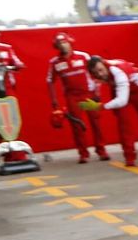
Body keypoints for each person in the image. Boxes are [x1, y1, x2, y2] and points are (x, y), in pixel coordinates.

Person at [84, 55, 138, 167]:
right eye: (96, 73)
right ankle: (129, 156)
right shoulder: (97, 73)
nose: (100, 74)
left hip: (136, 88)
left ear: (105, 65)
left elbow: (122, 100)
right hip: (119, 88)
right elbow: (96, 85)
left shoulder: (117, 71)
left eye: (101, 70)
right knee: (124, 123)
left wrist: (101, 106)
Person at [46, 32, 110, 163]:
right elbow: (49, 81)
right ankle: (83, 153)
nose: (63, 46)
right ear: (56, 46)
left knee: (95, 123)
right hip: (72, 98)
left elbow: (95, 73)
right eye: (60, 44)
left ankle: (101, 150)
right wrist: (54, 99)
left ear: (70, 42)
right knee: (77, 125)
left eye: (65, 42)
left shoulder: (83, 56)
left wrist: (97, 92)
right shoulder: (55, 62)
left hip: (88, 95)